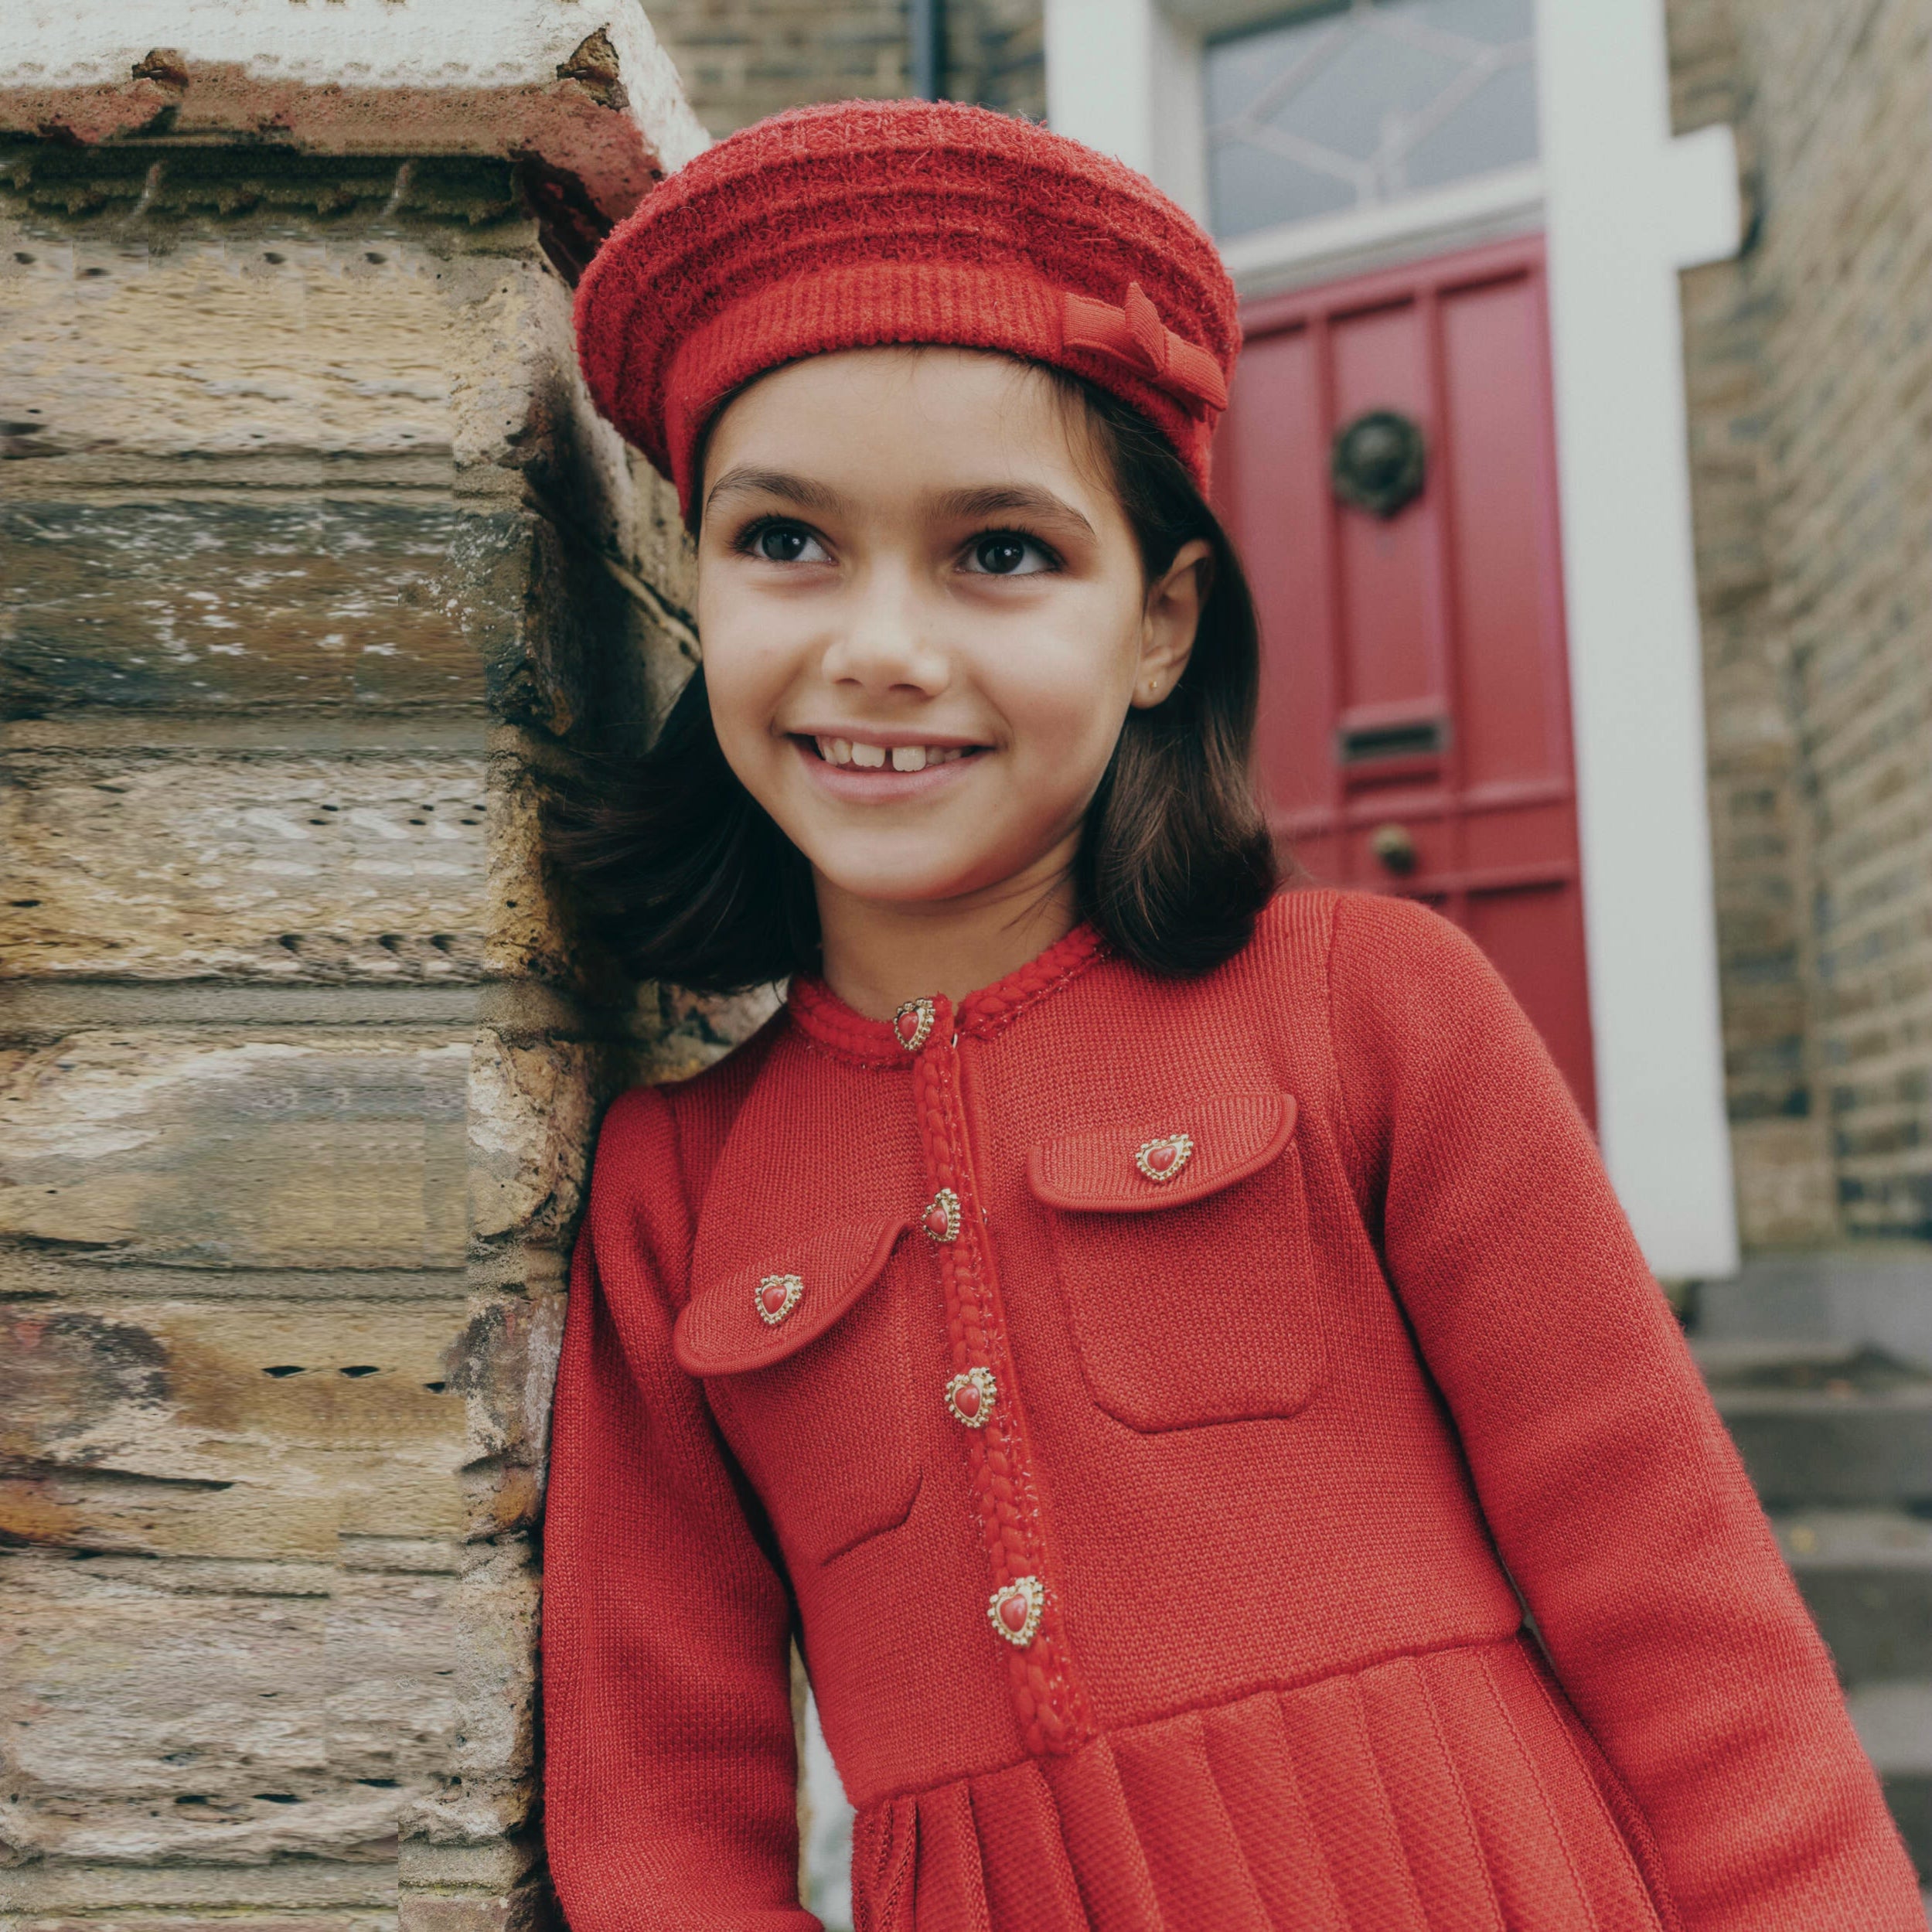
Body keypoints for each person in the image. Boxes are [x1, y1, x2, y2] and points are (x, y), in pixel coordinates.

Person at [541, 97, 1921, 1932]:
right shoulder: (671, 1192)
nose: (879, 643)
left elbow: (1681, 1616)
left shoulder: (1372, 1010)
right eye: (783, 539)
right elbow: (652, 1820)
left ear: (1159, 624)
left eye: (1001, 553)